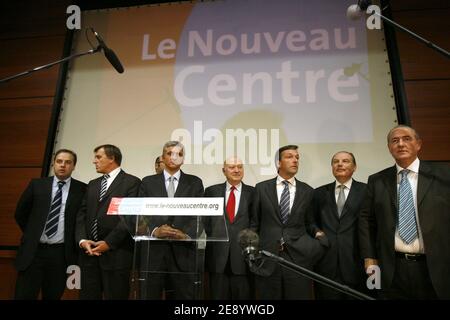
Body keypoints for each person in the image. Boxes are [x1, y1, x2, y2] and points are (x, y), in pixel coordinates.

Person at [359, 125, 450, 299]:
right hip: (392, 268)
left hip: (436, 267)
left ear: (419, 144)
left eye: (406, 138)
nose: (400, 144)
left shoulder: (444, 175)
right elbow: (366, 221)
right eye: (395, 140)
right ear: (389, 148)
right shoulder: (377, 180)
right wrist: (369, 257)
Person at [250, 145, 328, 300]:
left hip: (299, 260)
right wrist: (253, 253)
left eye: (297, 157)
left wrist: (320, 237)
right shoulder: (261, 188)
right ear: (278, 163)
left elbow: (310, 223)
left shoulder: (308, 191)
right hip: (267, 259)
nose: (295, 160)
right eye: (289, 157)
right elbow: (254, 224)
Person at [14, 149, 86, 299]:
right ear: (53, 163)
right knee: (23, 295)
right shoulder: (37, 185)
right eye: (59, 161)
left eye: (68, 162)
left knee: (53, 295)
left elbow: (83, 220)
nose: (62, 165)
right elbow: (20, 213)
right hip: (33, 252)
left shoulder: (82, 189)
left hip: (60, 255)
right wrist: (32, 234)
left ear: (74, 166)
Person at [139, 141, 204, 299]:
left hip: (183, 252)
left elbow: (201, 215)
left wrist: (185, 234)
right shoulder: (147, 182)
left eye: (179, 154)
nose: (174, 157)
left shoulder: (195, 182)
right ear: (162, 157)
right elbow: (141, 214)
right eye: (170, 153)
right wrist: (155, 230)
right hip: (153, 253)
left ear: (183, 159)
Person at [76, 144, 140, 299]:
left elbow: (129, 218)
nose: (94, 161)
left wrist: (108, 243)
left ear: (112, 158)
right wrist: (83, 240)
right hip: (89, 253)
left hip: (117, 254)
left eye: (98, 157)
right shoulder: (93, 184)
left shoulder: (132, 182)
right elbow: (82, 214)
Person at [313, 151, 367, 299]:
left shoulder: (367, 191)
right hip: (325, 264)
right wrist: (317, 232)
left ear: (355, 167)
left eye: (345, 161)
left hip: (357, 264)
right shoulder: (318, 193)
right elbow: (311, 222)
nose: (340, 164)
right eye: (336, 161)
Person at [204, 156, 254, 300]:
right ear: (224, 170)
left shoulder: (254, 193)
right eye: (232, 167)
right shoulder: (211, 192)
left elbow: (256, 222)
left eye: (240, 166)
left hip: (244, 261)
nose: (236, 170)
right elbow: (205, 223)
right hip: (218, 260)